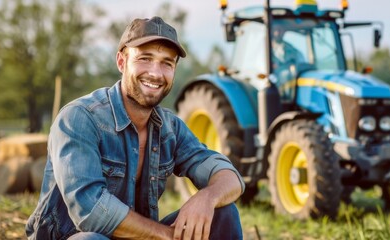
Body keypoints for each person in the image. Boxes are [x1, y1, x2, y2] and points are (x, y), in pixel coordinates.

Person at [25, 16, 245, 240]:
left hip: (139, 236)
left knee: (224, 213)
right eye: (145, 58)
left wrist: (207, 197)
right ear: (121, 62)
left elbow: (231, 178)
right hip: (75, 236)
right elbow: (90, 211)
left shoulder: (170, 128)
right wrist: (167, 235)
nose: (156, 73)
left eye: (166, 63)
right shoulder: (79, 118)